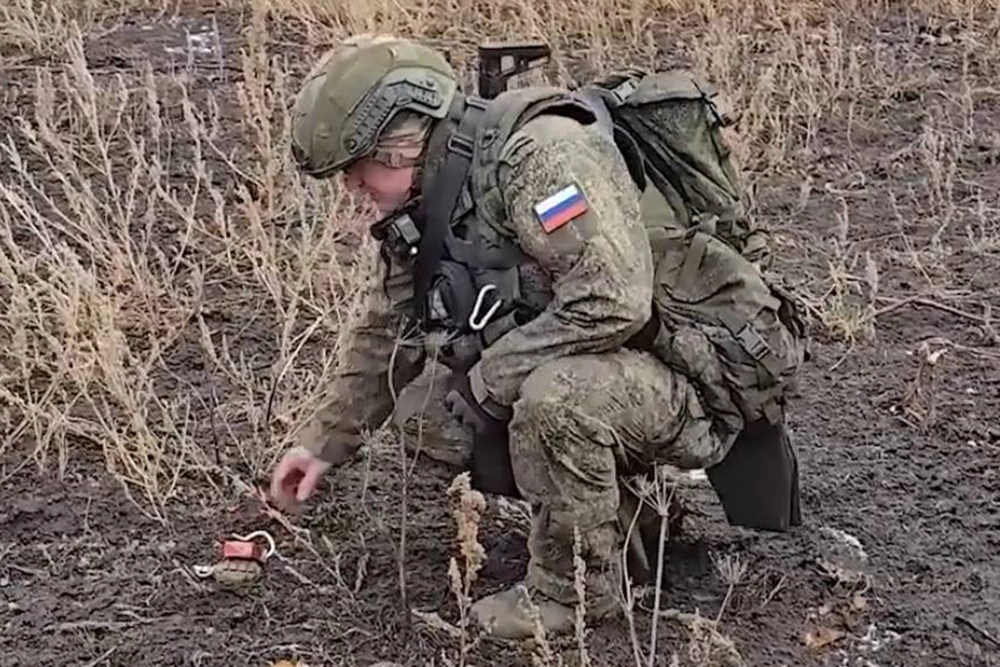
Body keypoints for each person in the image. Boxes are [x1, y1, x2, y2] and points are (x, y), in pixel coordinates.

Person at [270, 34, 804, 640]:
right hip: (622, 360)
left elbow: (614, 300)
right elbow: (387, 328)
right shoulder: (435, 190)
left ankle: (575, 594)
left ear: (398, 143)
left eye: (355, 170)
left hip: (698, 367)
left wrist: (492, 379)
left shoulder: (541, 158)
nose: (351, 190)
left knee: (552, 401)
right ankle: (630, 521)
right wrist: (322, 442)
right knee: (432, 416)